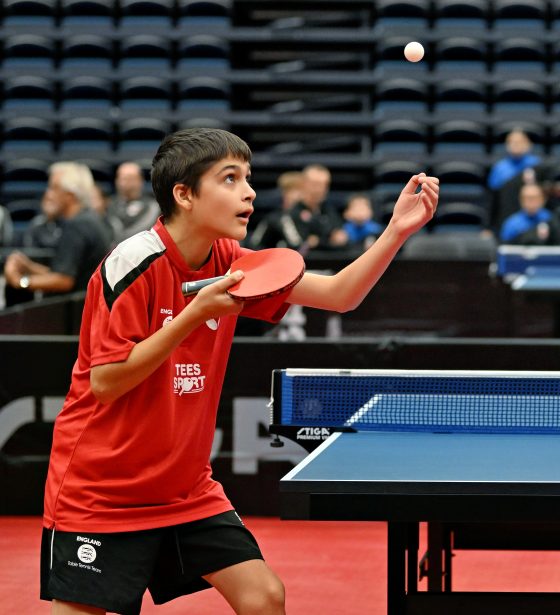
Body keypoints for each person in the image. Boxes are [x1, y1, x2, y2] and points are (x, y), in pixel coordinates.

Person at [39, 128, 438, 615]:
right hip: (102, 490)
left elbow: (339, 295)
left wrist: (396, 231)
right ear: (184, 194)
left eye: (248, 178)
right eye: (230, 179)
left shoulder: (229, 260)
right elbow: (105, 382)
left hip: (185, 489)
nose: (249, 192)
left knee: (264, 596)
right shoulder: (133, 263)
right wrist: (193, 315)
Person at [3, 162, 113, 296]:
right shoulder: (90, 219)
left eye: (54, 188)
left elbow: (64, 281)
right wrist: (29, 267)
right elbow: (65, 272)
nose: (48, 194)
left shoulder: (78, 225)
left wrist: (20, 281)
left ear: (70, 195)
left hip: (78, 307)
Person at [488, 129, 542, 234]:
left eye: (520, 142)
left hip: (532, 219)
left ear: (528, 144)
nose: (516, 145)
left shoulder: (537, 166)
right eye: (512, 142)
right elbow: (493, 200)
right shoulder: (499, 168)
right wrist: (489, 227)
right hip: (506, 215)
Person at [288, 164, 342, 251]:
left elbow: (341, 238)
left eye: (324, 185)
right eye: (315, 184)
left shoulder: (328, 209)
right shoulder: (291, 212)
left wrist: (318, 241)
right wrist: (327, 240)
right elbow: (299, 245)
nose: (320, 189)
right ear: (303, 184)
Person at [247, 171, 305, 250]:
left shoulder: (305, 215)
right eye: (298, 191)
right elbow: (296, 245)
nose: (302, 195)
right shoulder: (279, 218)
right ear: (286, 193)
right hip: (268, 255)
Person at [107, 161, 160, 243]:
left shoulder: (153, 206)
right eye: (119, 177)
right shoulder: (110, 204)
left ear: (140, 180)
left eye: (128, 178)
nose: (122, 183)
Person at [499, 182, 560, 246]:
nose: (531, 201)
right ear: (521, 200)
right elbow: (505, 248)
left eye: (535, 198)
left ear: (542, 199)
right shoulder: (512, 224)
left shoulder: (550, 218)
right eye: (528, 198)